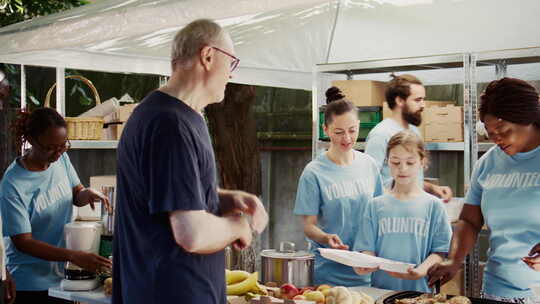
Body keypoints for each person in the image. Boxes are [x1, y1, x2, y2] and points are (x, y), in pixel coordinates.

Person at [112, 19, 268, 304]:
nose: (231, 75)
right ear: (207, 56)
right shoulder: (170, 124)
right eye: (231, 62)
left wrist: (224, 198)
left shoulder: (173, 116)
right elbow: (191, 234)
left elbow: (168, 193)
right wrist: (239, 226)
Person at [428, 77, 540, 302]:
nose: (496, 138)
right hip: (496, 290)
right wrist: (454, 260)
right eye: (489, 132)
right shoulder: (488, 163)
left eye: (503, 130)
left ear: (528, 119)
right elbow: (470, 221)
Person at [0, 108, 112, 304]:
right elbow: (23, 242)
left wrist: (88, 194)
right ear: (32, 140)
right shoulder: (13, 184)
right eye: (50, 148)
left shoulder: (61, 159)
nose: (58, 153)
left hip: (60, 276)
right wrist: (74, 256)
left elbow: (77, 194)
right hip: (30, 283)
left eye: (63, 146)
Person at [294, 86, 383, 287]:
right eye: (339, 132)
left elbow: (378, 214)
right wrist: (326, 238)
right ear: (325, 130)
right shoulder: (313, 172)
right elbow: (308, 226)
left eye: (352, 130)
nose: (347, 138)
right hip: (328, 274)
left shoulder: (369, 165)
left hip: (368, 272)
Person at [353, 131, 452, 292]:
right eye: (395, 162)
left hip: (421, 294)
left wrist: (421, 271)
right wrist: (364, 264)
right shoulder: (374, 206)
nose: (402, 168)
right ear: (388, 162)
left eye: (410, 162)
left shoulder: (434, 206)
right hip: (381, 293)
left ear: (422, 162)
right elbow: (367, 248)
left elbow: (439, 252)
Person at [364, 74, 453, 202]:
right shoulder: (381, 134)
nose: (423, 105)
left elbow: (407, 180)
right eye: (417, 100)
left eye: (423, 99)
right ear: (400, 101)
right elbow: (369, 183)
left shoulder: (414, 131)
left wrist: (432, 188)